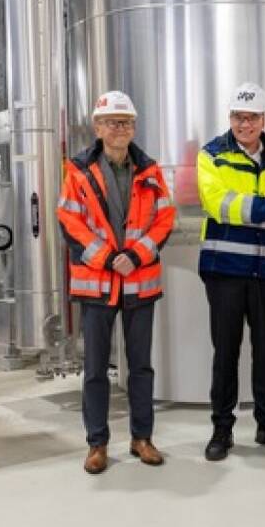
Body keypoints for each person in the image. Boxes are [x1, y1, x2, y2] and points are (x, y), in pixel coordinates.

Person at [57, 90, 176, 475]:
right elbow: (69, 222)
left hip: (139, 282)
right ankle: (97, 443)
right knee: (95, 369)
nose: (119, 129)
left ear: (134, 128)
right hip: (97, 284)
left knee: (141, 367)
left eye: (125, 123)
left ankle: (142, 438)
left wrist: (136, 255)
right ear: (98, 127)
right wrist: (109, 259)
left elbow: (164, 219)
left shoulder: (151, 171)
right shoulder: (78, 172)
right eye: (111, 122)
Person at [196, 82, 265, 461]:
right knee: (226, 352)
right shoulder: (212, 155)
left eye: (252, 117)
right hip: (224, 269)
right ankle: (222, 429)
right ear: (230, 118)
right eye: (238, 117)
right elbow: (216, 202)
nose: (245, 124)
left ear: (263, 119)